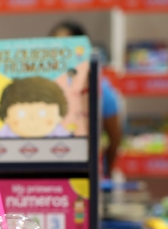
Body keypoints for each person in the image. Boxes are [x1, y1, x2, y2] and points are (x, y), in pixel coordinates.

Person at [49, 20, 123, 176]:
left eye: (65, 47)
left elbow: (115, 137)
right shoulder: (45, 85)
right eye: (53, 46)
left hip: (84, 173)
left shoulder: (99, 86)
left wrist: (104, 173)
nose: (59, 53)